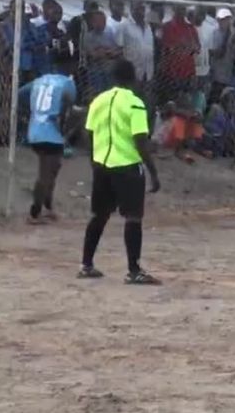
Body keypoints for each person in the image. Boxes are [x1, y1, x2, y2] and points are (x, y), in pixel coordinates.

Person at [79, 60, 161, 285]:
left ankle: (86, 264)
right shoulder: (135, 103)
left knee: (99, 215)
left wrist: (94, 160)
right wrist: (153, 172)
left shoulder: (98, 101)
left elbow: (88, 134)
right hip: (127, 166)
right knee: (133, 217)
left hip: (102, 164)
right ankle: (133, 270)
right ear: (133, 79)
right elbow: (140, 141)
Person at [18, 64, 77, 223]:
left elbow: (21, 93)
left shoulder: (40, 80)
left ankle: (48, 207)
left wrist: (34, 110)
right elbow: (69, 103)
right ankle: (34, 212)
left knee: (53, 168)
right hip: (50, 132)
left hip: (35, 130)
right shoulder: (68, 82)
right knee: (46, 173)